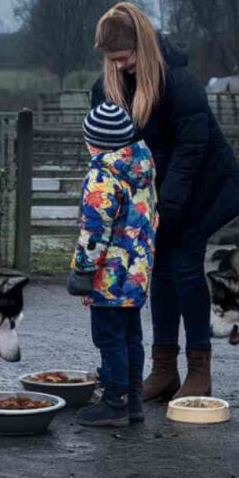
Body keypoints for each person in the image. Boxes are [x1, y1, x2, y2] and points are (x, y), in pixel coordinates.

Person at [91, 3, 239, 401]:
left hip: (202, 191)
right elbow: (110, 150)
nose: (119, 64)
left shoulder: (177, 82)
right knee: (158, 271)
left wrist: (170, 207)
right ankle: (164, 368)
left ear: (140, 46)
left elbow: (192, 148)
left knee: (182, 267)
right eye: (111, 59)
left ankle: (200, 369)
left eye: (124, 56)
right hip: (158, 196)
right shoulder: (108, 86)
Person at [67, 101, 157, 427]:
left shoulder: (103, 175)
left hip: (110, 276)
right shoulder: (142, 168)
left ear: (93, 142)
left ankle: (114, 401)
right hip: (136, 273)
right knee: (130, 336)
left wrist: (82, 270)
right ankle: (134, 401)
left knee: (108, 337)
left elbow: (94, 229)